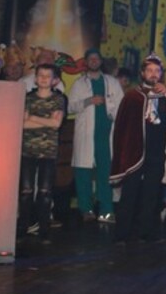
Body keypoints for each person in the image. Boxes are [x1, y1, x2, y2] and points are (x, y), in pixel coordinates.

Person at [109, 55, 166, 243]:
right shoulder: (132, 97)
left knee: (152, 194)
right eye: (150, 70)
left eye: (157, 71)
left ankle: (147, 232)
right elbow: (122, 127)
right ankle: (122, 233)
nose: (153, 74)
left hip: (156, 151)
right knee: (130, 193)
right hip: (135, 153)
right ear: (143, 73)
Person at [68, 48, 124, 223]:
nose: (93, 61)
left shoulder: (112, 83)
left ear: (101, 61)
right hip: (86, 135)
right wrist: (88, 101)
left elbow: (121, 106)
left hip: (105, 135)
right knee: (83, 172)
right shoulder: (79, 84)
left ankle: (106, 211)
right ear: (86, 62)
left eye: (96, 58)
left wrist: (112, 112)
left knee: (105, 173)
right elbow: (70, 107)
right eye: (90, 59)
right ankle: (86, 209)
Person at [20, 64, 66, 242]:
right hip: (27, 150)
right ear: (35, 78)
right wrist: (46, 121)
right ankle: (23, 228)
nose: (44, 78)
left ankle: (44, 230)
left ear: (54, 80)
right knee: (26, 191)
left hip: (48, 151)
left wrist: (32, 118)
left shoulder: (58, 99)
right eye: (41, 75)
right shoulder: (28, 98)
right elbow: (22, 124)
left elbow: (56, 124)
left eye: (48, 76)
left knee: (45, 192)